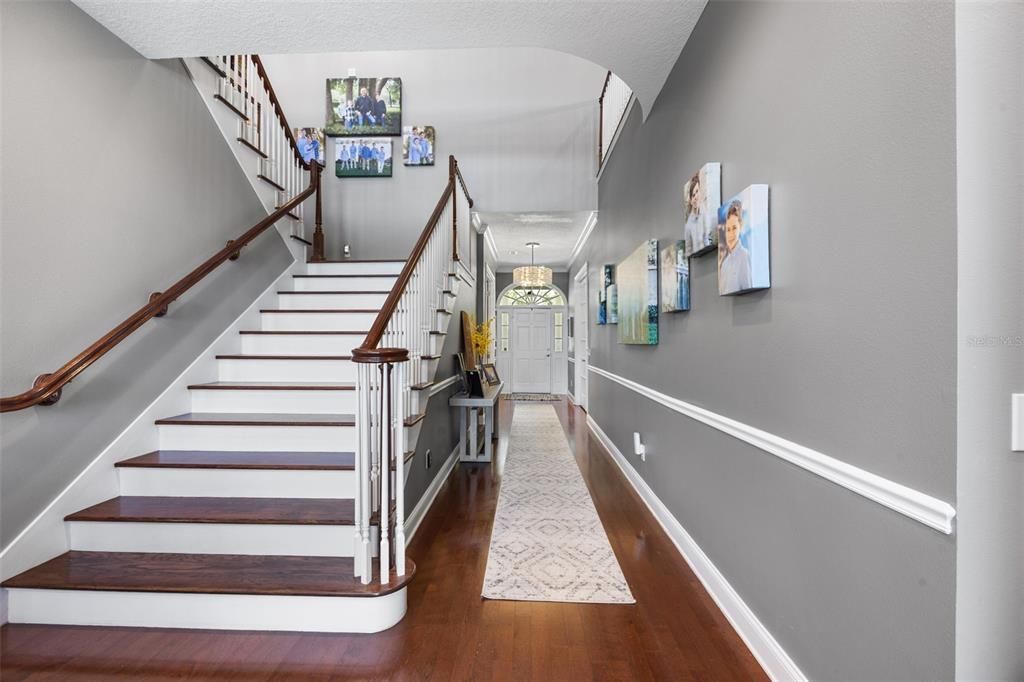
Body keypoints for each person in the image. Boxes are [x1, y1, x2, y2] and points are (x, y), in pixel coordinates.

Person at [718, 200, 752, 294]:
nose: (731, 234)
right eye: (728, 230)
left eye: (734, 228)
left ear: (740, 227)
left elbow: (748, 289)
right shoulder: (725, 264)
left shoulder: (744, 256)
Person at [683, 172, 706, 257]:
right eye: (693, 195)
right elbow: (689, 250)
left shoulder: (706, 213)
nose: (695, 197)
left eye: (697, 192)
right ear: (691, 200)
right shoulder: (689, 225)